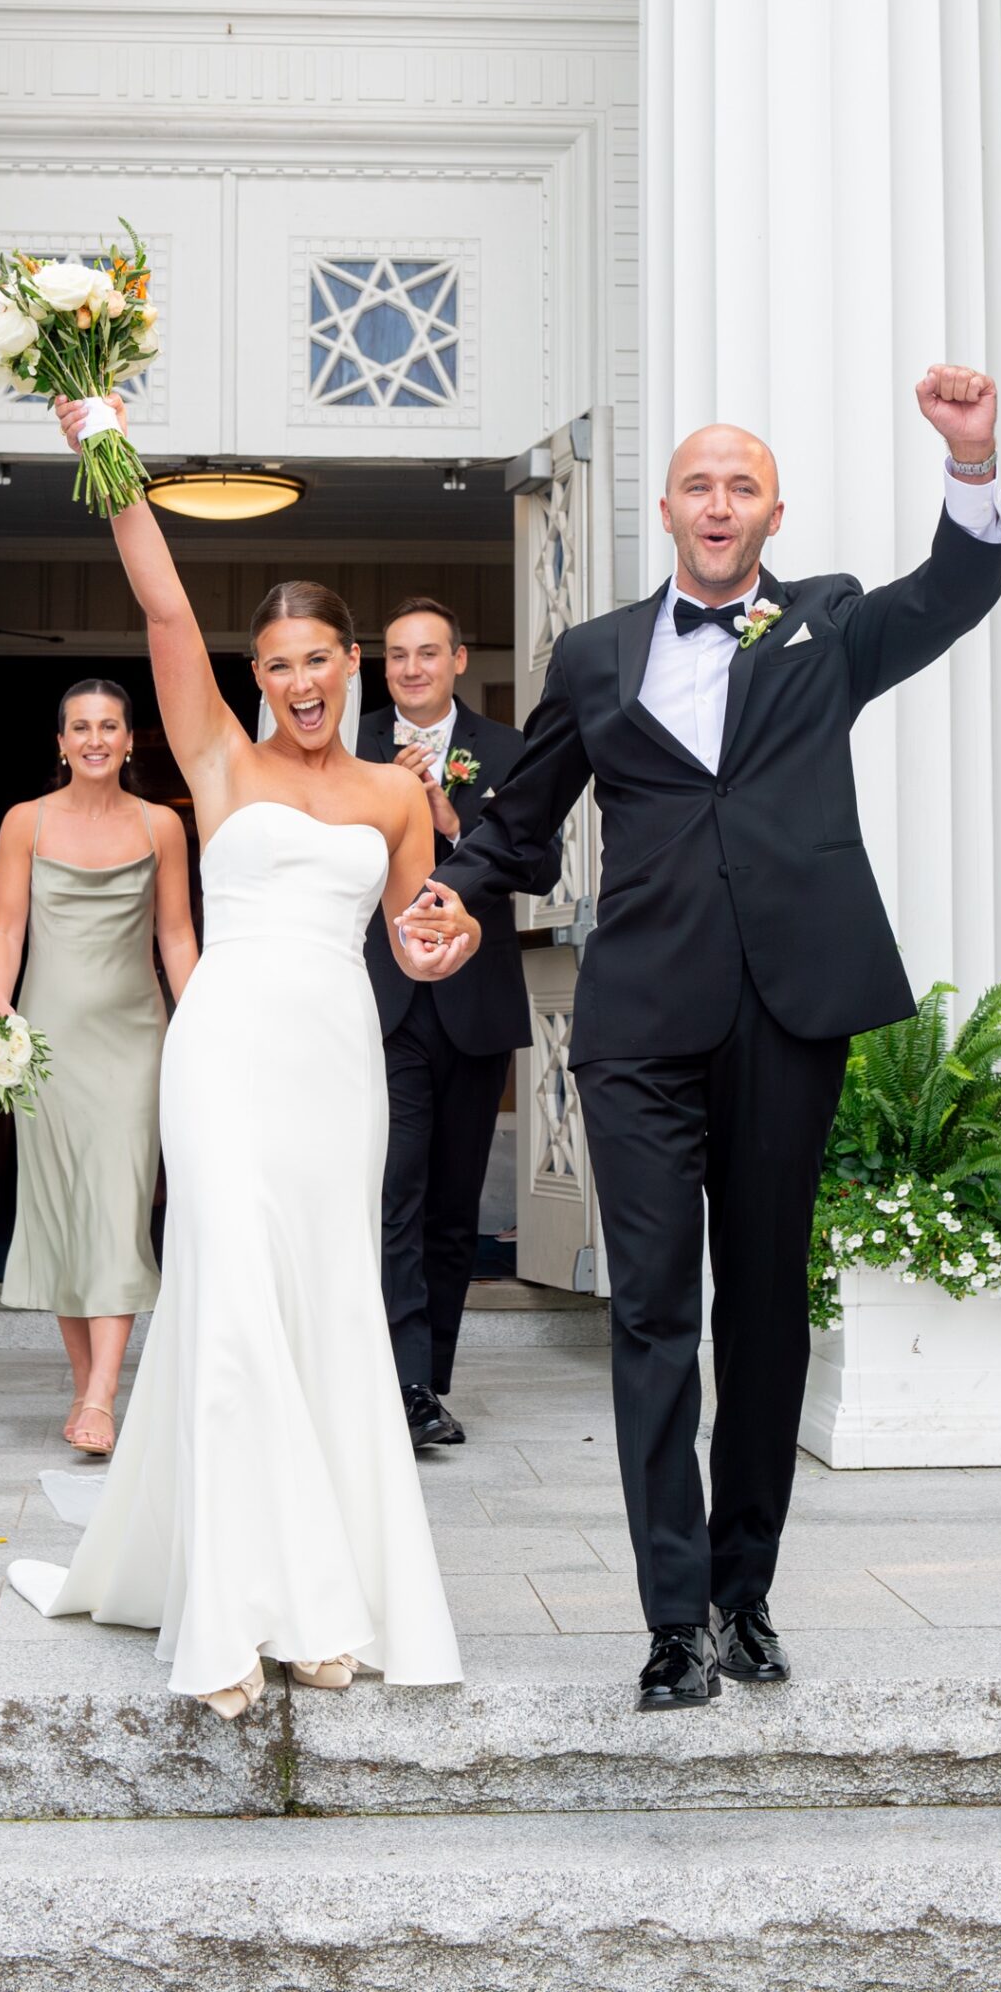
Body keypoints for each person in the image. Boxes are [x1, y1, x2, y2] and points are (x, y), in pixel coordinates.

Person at [430, 367, 1001, 1710]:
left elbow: (953, 591)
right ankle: (668, 1618)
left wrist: (968, 463)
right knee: (649, 1313)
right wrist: (448, 895)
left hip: (786, 1012)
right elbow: (517, 825)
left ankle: (742, 1593)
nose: (716, 501)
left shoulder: (828, 626)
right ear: (668, 510)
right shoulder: (592, 655)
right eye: (696, 482)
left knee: (761, 1311)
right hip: (637, 1020)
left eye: (739, 483)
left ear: (771, 512)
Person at [7, 392, 471, 1717]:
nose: (300, 681)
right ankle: (230, 1618)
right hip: (222, 1049)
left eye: (319, 657)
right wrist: (103, 447)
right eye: (275, 663)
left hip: (335, 1054)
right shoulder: (212, 757)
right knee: (230, 1309)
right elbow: (160, 611)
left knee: (322, 1307)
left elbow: (415, 932)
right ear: (255, 677)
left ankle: (319, 1598)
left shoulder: (395, 796)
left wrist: (444, 945)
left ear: (354, 661)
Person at [359, 598, 560, 1449]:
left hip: (473, 1002)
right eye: (397, 655)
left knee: (451, 1208)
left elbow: (540, 864)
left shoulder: (508, 750)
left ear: (458, 660)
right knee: (394, 1195)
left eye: (427, 654)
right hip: (381, 1001)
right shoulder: (347, 743)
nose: (410, 669)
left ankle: (429, 1383)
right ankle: (395, 1385)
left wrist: (449, 819)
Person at [0, 679, 198, 1455]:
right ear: (62, 742)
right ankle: (89, 1391)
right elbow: (6, 927)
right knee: (63, 1215)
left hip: (134, 1040)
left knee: (115, 1206)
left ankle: (103, 1396)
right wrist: (0, 1013)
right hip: (45, 1045)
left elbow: (175, 935)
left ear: (132, 739)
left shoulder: (161, 828)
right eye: (81, 727)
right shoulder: (24, 823)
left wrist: (198, 1020)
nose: (96, 739)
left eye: (110, 726)